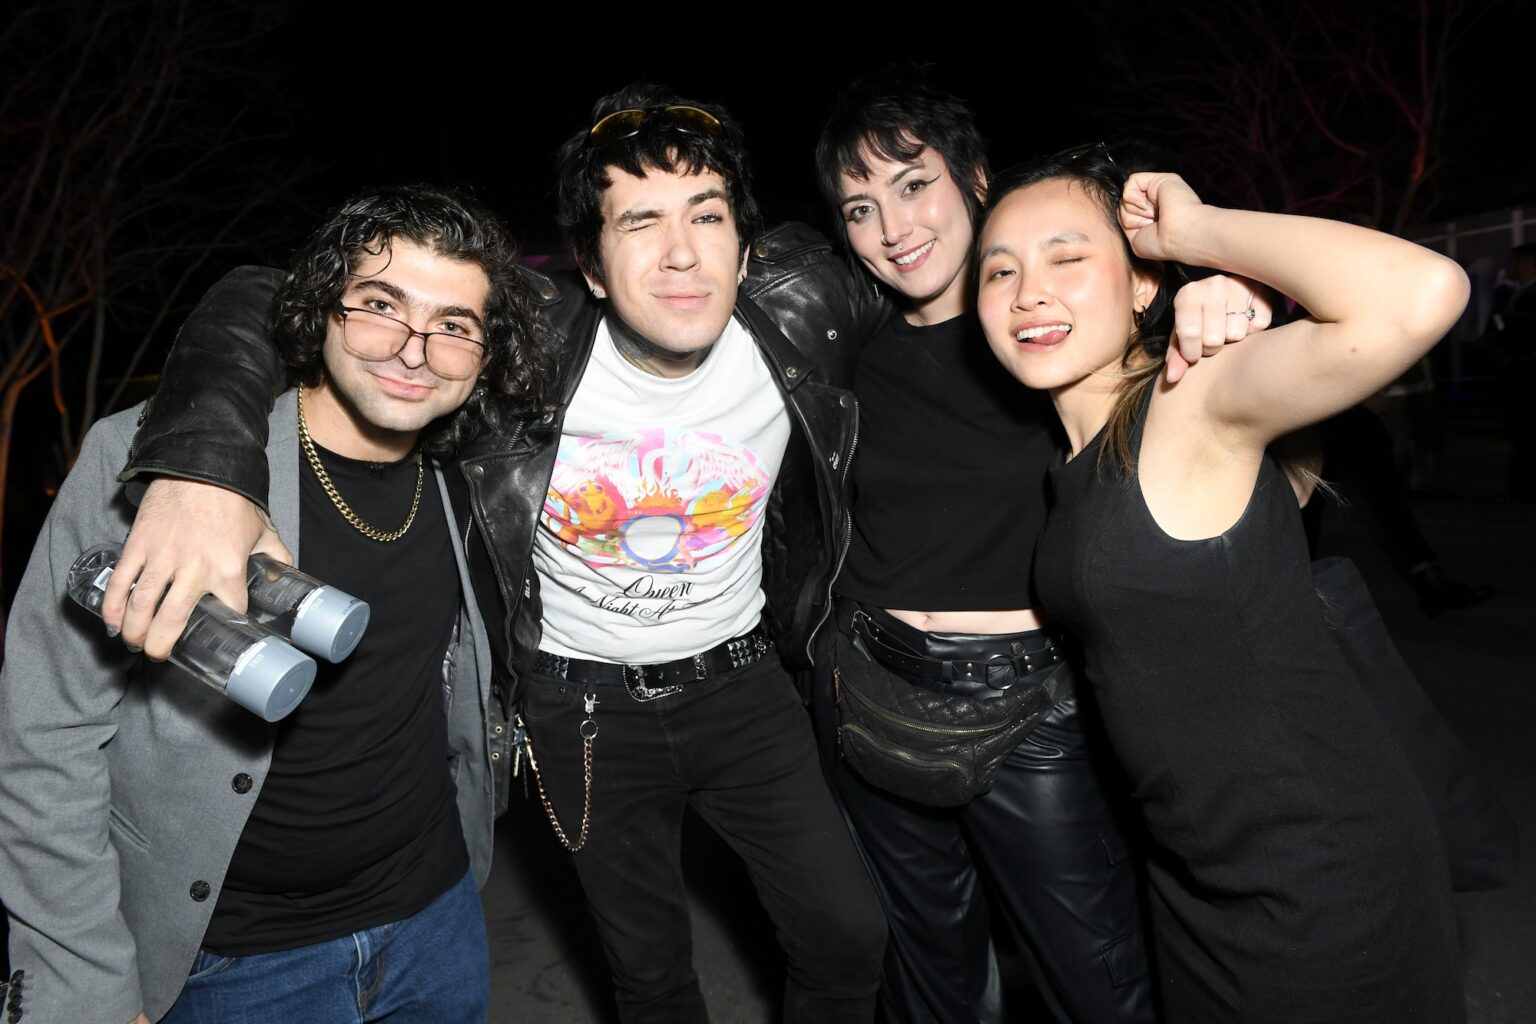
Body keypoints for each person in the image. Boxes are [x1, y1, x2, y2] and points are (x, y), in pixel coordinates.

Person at [96, 85, 890, 1024]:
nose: (681, 253)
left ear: (746, 247)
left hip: (747, 689)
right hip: (582, 712)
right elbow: (269, 295)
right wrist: (202, 466)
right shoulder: (533, 347)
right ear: (591, 266)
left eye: (706, 216)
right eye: (641, 221)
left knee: (849, 933)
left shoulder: (807, 307)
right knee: (650, 971)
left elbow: (948, 266)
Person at [0, 185, 552, 1024]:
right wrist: (88, 988)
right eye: (379, 305)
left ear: (482, 355)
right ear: (321, 310)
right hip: (235, 962)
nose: (413, 351)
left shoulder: (472, 479)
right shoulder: (159, 463)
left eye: (453, 326)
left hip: (436, 921)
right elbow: (41, 740)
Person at [974, 148, 1467, 1021]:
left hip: (1316, 884)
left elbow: (1423, 291)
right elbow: (1292, 480)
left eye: (1066, 257)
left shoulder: (1188, 406)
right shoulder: (1084, 458)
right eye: (999, 269)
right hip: (1199, 883)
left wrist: (1202, 238)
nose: (1026, 292)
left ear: (1141, 284)